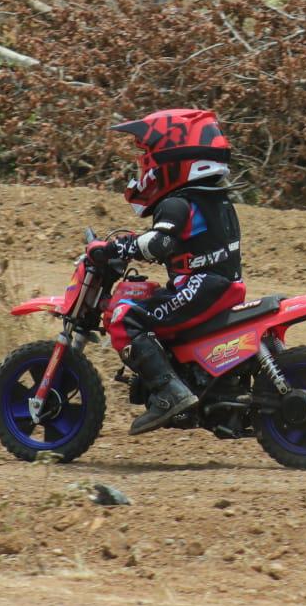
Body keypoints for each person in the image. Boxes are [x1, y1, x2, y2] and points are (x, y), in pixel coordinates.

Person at [88, 109, 247, 435]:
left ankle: (169, 393)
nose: (143, 168)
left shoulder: (177, 203)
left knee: (124, 317)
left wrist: (117, 248)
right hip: (219, 285)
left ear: (172, 159)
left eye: (147, 159)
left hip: (201, 286)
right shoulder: (214, 198)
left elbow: (159, 242)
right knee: (152, 300)